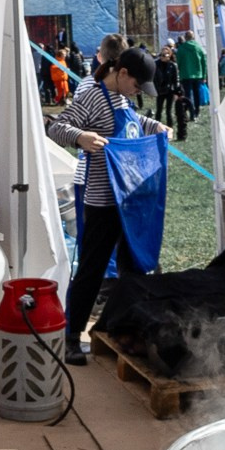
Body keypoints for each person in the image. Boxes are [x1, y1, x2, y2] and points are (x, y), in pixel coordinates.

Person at [47, 46, 171, 363]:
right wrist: (81, 138)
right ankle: (71, 336)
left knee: (133, 268)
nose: (137, 92)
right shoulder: (92, 96)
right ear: (123, 73)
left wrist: (154, 127)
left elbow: (133, 120)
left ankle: (123, 330)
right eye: (136, 85)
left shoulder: (122, 99)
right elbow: (56, 126)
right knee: (92, 269)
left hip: (129, 201)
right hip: (102, 202)